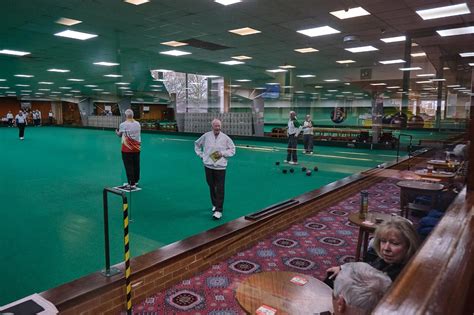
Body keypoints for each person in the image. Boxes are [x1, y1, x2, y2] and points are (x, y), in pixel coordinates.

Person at [327, 216, 420, 282]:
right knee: (332, 275)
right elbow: (369, 267)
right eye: (383, 241)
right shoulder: (389, 261)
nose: (386, 248)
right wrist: (343, 268)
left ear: (409, 245)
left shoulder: (401, 276)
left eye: (394, 243)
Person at [194, 119, 235, 220]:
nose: (217, 128)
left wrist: (223, 153)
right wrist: (201, 155)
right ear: (212, 126)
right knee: (211, 185)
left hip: (221, 167)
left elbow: (233, 150)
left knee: (220, 188)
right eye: (215, 126)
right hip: (208, 165)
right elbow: (197, 144)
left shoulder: (225, 138)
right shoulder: (206, 136)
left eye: (219, 126)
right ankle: (215, 204)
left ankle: (218, 210)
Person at [115, 109, 141, 189]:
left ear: (126, 116)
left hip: (127, 149)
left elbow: (120, 135)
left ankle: (131, 183)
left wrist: (116, 132)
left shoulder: (123, 124)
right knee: (136, 164)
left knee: (128, 165)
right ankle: (135, 181)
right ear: (132, 115)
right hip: (137, 148)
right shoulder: (138, 123)